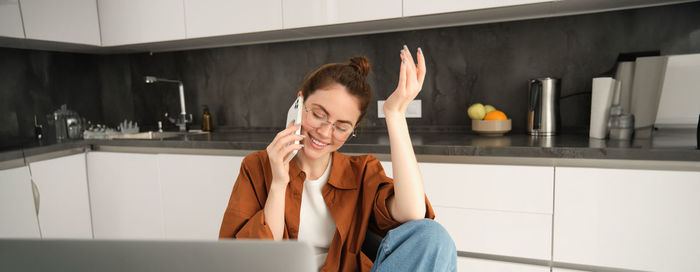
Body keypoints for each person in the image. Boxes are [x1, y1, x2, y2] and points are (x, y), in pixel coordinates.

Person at [219, 45, 457, 271]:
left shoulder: (361, 171)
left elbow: (412, 213)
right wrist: (279, 183)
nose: (324, 132)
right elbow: (249, 262)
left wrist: (394, 114)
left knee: (433, 236)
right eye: (319, 114)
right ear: (300, 102)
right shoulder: (257, 167)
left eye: (342, 126)